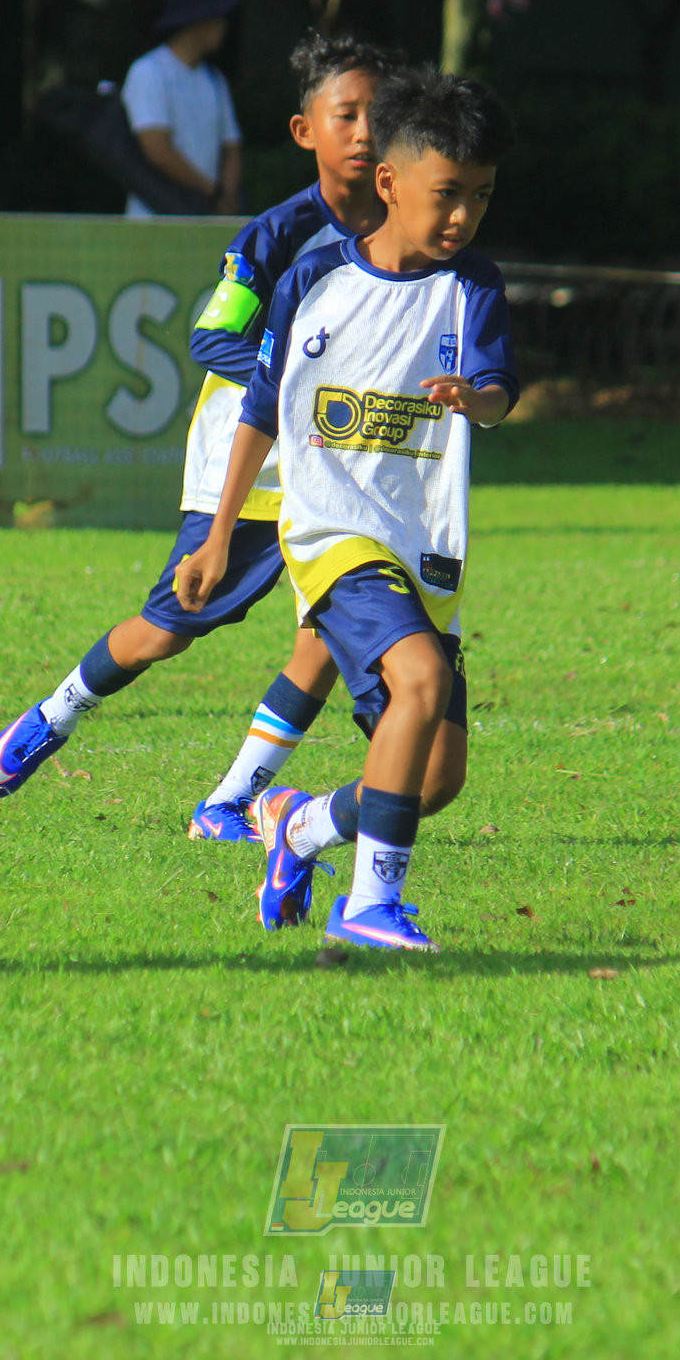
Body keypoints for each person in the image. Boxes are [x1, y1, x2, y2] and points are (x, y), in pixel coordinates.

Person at [0, 33, 396, 836]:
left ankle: (227, 800)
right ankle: (54, 713)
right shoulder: (275, 236)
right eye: (348, 114)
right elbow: (211, 338)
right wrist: (305, 374)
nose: (366, 129)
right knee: (166, 630)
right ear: (306, 130)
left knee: (321, 639)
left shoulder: (401, 228)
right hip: (249, 460)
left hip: (337, 464)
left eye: (380, 112)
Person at [176, 69, 517, 952]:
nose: (462, 218)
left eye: (479, 198)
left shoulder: (472, 286)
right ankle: (370, 905)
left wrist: (472, 401)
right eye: (447, 195)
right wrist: (218, 535)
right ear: (393, 184)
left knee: (435, 776)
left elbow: (495, 390)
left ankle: (298, 825)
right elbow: (260, 411)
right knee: (420, 683)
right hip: (329, 533)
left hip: (425, 549)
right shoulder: (314, 277)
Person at [122, 0, 243, 218]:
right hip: (152, 218)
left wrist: (226, 198)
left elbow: (231, 146)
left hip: (203, 217)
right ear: (197, 23)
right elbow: (157, 150)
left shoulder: (214, 79)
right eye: (217, 18)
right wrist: (213, 192)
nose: (224, 26)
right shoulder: (149, 72)